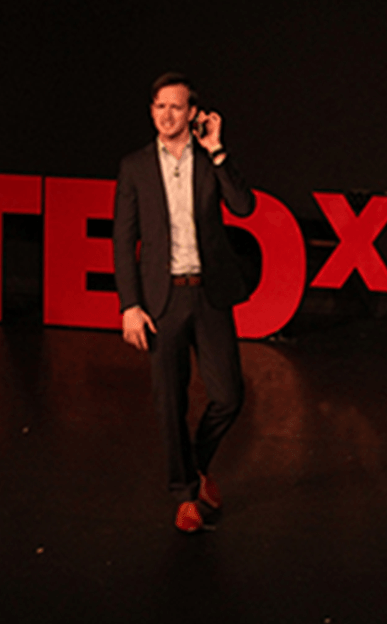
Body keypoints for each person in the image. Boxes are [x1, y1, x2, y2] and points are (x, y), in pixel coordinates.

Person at [113, 72, 254, 533]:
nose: (166, 115)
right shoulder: (134, 166)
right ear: (151, 110)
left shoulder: (209, 161)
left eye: (176, 107)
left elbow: (245, 206)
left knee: (229, 395)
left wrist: (217, 149)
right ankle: (185, 495)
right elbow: (123, 239)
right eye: (159, 106)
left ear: (193, 113)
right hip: (162, 299)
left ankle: (195, 465)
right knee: (168, 402)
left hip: (209, 295)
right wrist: (130, 304)